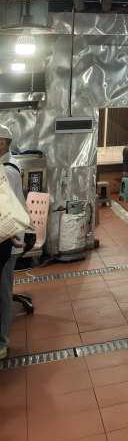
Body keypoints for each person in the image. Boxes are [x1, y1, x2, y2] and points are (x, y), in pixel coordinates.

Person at [0, 127, 25, 361]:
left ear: (1, 144)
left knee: (3, 292)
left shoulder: (7, 170)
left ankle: (2, 341)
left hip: (7, 240)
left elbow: (7, 215)